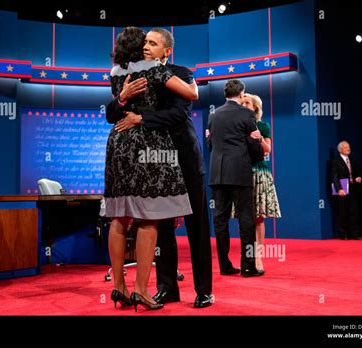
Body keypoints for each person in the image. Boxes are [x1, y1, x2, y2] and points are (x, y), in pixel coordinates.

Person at [107, 28, 214, 308]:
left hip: (184, 157)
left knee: (197, 227)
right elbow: (110, 112)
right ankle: (166, 287)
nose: (146, 47)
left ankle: (204, 290)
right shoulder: (133, 72)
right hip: (153, 160)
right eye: (145, 42)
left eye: (152, 43)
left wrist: (140, 118)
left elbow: (179, 112)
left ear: (167, 51)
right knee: (160, 225)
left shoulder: (180, 72)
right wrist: (123, 100)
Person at [207, 79, 263, 277]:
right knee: (246, 219)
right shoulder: (247, 114)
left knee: (220, 221)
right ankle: (248, 266)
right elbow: (254, 145)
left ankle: (224, 265)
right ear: (241, 95)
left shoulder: (213, 116)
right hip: (239, 172)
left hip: (217, 174)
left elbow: (211, 145)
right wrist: (256, 155)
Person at [243, 93, 281, 273]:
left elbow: (268, 150)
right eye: (241, 102)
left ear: (255, 108)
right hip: (241, 174)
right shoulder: (237, 125)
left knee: (258, 218)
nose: (243, 105)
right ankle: (247, 257)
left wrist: (259, 138)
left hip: (259, 173)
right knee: (245, 218)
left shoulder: (263, 126)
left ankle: (258, 257)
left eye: (247, 103)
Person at [331, 141, 362, 240]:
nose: (348, 149)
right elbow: (334, 176)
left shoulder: (352, 160)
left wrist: (358, 177)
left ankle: (355, 234)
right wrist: (339, 189)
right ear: (340, 150)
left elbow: (357, 173)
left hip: (353, 189)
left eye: (348, 147)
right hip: (343, 190)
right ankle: (343, 234)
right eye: (345, 147)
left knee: (354, 212)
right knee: (343, 212)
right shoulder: (335, 161)